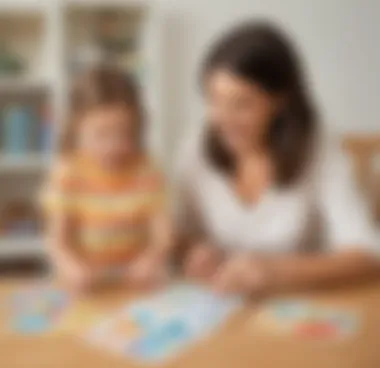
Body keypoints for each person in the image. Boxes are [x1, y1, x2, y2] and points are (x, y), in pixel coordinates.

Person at [179, 21, 379, 295]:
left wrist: (277, 271)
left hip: (301, 311)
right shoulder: (197, 146)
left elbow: (368, 255)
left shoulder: (317, 148)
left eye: (242, 104)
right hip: (222, 307)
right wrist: (195, 252)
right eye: (214, 100)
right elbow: (181, 234)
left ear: (280, 100)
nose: (222, 119)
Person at [42, 66, 172, 291]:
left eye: (124, 133)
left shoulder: (147, 170)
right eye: (101, 134)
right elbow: (57, 241)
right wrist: (70, 266)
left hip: (136, 281)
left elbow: (163, 236)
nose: (114, 146)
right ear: (76, 129)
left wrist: (153, 258)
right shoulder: (68, 173)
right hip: (84, 283)